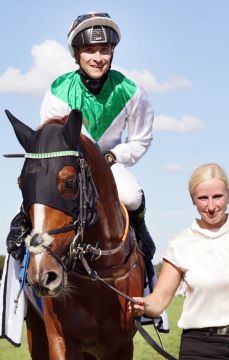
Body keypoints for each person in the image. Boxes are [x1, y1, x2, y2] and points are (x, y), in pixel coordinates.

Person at [6, 12, 156, 268]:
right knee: (41, 192)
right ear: (77, 54)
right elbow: (51, 142)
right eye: (89, 50)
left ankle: (141, 235)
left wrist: (113, 156)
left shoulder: (132, 91)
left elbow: (141, 140)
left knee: (132, 196)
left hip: (107, 162)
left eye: (104, 50)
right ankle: (21, 224)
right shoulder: (59, 89)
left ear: (112, 52)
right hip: (69, 164)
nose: (98, 58)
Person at [130, 163, 229, 359]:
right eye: (203, 198)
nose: (211, 206)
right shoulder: (180, 244)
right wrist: (142, 305)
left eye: (217, 197)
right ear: (193, 200)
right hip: (199, 348)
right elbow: (159, 300)